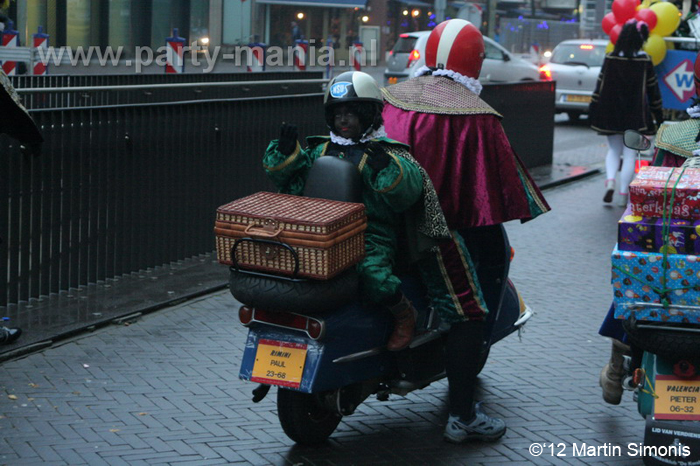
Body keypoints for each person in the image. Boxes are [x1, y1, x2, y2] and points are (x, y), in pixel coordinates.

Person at [382, 19, 550, 443]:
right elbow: (495, 182)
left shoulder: (393, 95)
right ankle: (462, 416)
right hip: (436, 232)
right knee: (469, 311)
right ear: (474, 61)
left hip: (384, 227)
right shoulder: (474, 111)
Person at [263, 70, 452, 351]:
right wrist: (287, 153)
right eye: (338, 113)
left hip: (370, 233)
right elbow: (292, 184)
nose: (343, 119)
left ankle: (403, 313)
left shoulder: (389, 152)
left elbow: (409, 194)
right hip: (319, 230)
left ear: (370, 114)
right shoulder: (321, 149)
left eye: (352, 112)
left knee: (370, 273)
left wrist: (386, 169)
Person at [598, 51, 700, 405]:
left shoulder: (674, 136)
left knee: (638, 277)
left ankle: (615, 369)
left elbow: (649, 204)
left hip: (677, 263)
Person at [589, 19, 664, 207]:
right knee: (630, 154)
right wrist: (658, 114)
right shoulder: (644, 60)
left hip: (610, 113)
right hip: (635, 115)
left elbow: (600, 85)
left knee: (613, 151)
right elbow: (653, 90)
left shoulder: (611, 57)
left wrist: (593, 107)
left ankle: (610, 181)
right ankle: (623, 193)